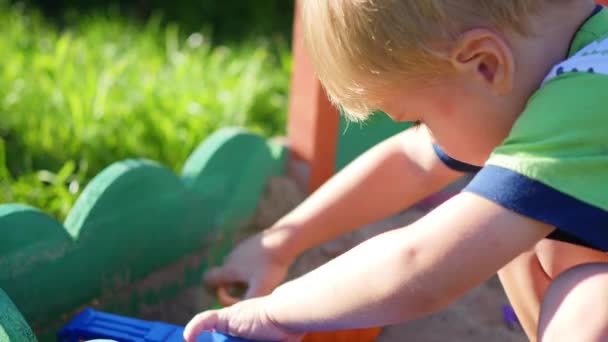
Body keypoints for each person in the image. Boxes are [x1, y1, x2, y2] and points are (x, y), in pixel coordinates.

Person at [184, 1, 608, 341]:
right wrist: (281, 243)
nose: (422, 133)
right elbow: (413, 162)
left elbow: (422, 263)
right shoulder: (581, 63)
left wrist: (276, 311)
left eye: (417, 117)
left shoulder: (586, 100)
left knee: (584, 302)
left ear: (484, 65)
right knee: (519, 225)